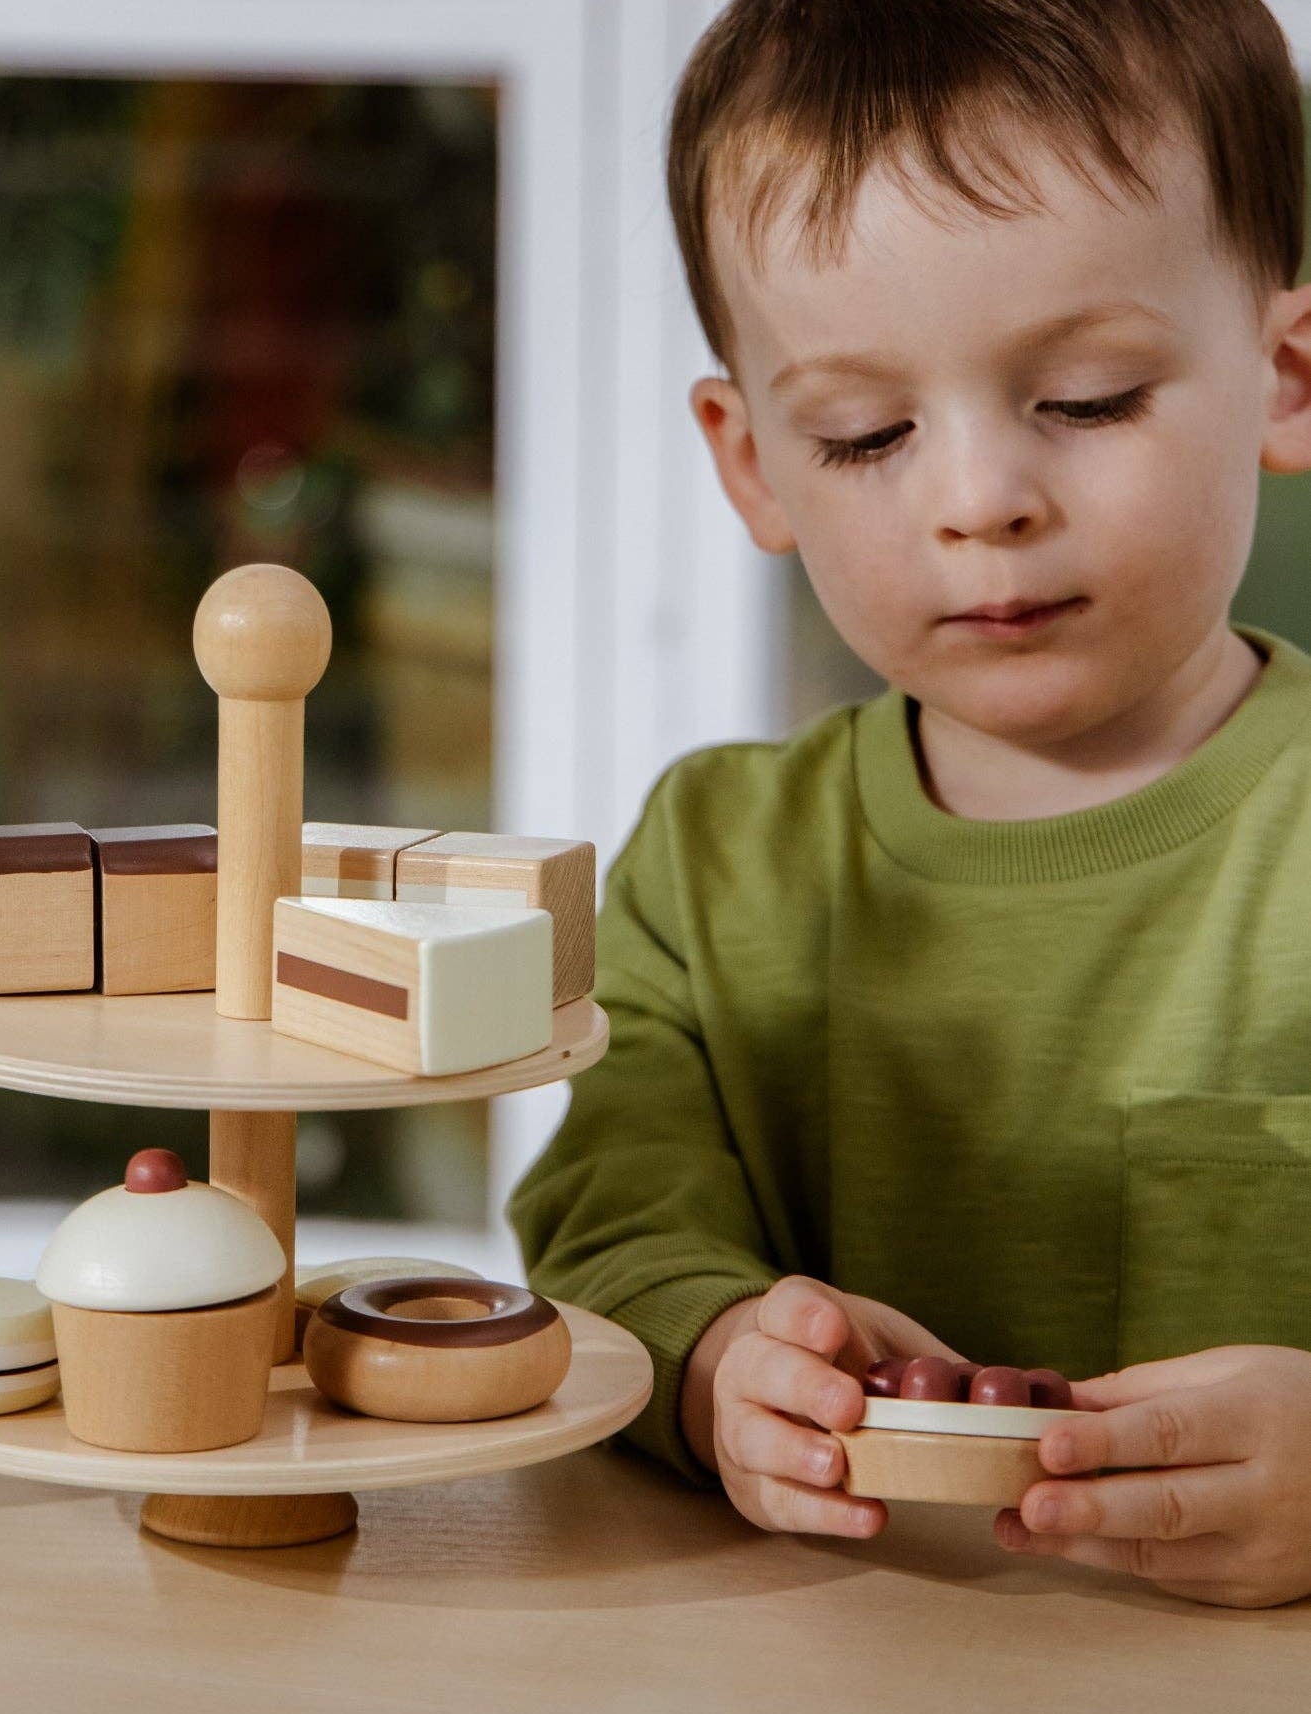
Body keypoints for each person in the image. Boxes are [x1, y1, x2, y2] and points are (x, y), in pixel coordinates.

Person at [506, 0, 1311, 1609]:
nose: (979, 502)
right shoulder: (711, 867)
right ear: (750, 465)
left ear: (1285, 376)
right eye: (863, 433)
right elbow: (612, 1237)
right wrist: (718, 1359)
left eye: (1084, 399)